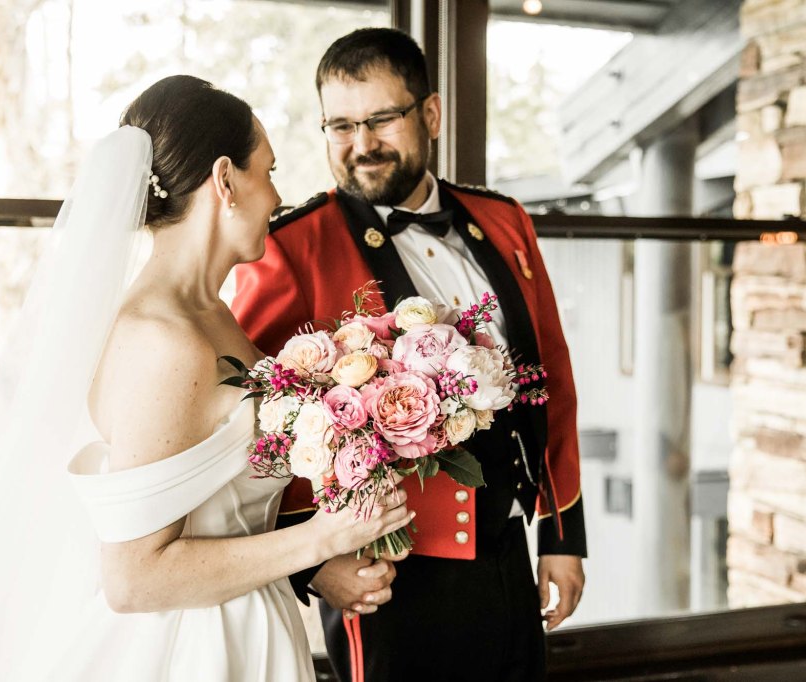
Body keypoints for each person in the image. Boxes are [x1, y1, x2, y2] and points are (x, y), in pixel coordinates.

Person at [0, 75, 412, 682]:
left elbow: (214, 511)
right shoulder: (161, 339)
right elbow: (134, 578)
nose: (276, 196)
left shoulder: (212, 316)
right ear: (224, 181)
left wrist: (318, 563)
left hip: (242, 623)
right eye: (267, 172)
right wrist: (319, 541)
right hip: (185, 650)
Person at [233, 28, 587, 681]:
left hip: (510, 553)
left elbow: (551, 380)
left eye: (381, 119)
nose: (360, 143)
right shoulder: (292, 247)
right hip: (387, 571)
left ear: (430, 115)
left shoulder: (505, 221)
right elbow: (255, 422)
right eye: (340, 125)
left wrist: (562, 536)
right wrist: (313, 564)